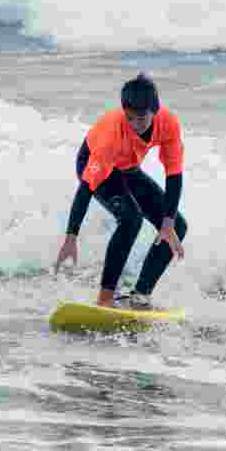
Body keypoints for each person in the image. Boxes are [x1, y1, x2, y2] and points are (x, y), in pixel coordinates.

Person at [54, 73, 188, 309]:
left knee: (177, 226)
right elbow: (86, 188)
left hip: (126, 167)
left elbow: (174, 175)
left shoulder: (168, 124)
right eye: (130, 118)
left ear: (155, 110)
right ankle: (105, 298)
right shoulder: (111, 134)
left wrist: (167, 222)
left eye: (141, 118)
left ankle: (140, 295)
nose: (135, 125)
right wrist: (71, 236)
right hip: (94, 165)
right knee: (130, 219)